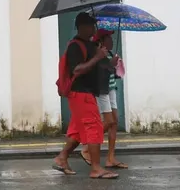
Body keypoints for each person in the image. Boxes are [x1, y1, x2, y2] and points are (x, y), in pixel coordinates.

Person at [53, 12, 119, 179]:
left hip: (88, 93)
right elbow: (77, 69)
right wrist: (97, 56)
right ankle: (96, 168)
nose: (94, 29)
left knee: (77, 132)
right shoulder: (75, 46)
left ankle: (62, 158)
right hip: (80, 93)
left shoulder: (91, 45)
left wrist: (109, 63)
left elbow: (98, 67)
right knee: (94, 128)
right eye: (91, 25)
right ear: (82, 27)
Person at [80, 29, 128, 169]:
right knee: (108, 121)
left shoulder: (109, 53)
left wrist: (116, 66)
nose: (112, 41)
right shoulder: (97, 52)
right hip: (102, 91)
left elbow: (111, 72)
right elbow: (98, 70)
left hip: (111, 88)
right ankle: (87, 148)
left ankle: (110, 158)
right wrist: (110, 64)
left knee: (115, 122)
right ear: (101, 41)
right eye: (109, 38)